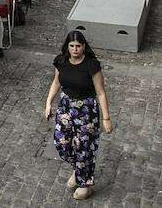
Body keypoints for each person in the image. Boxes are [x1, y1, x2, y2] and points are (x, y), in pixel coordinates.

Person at [44, 30, 113, 201]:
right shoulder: (61, 61)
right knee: (61, 142)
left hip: (86, 109)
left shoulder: (91, 65)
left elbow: (101, 92)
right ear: (68, 47)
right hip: (66, 106)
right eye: (72, 46)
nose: (75, 49)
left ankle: (85, 183)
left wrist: (106, 118)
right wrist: (48, 102)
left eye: (78, 46)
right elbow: (56, 82)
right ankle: (79, 168)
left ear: (83, 47)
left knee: (84, 148)